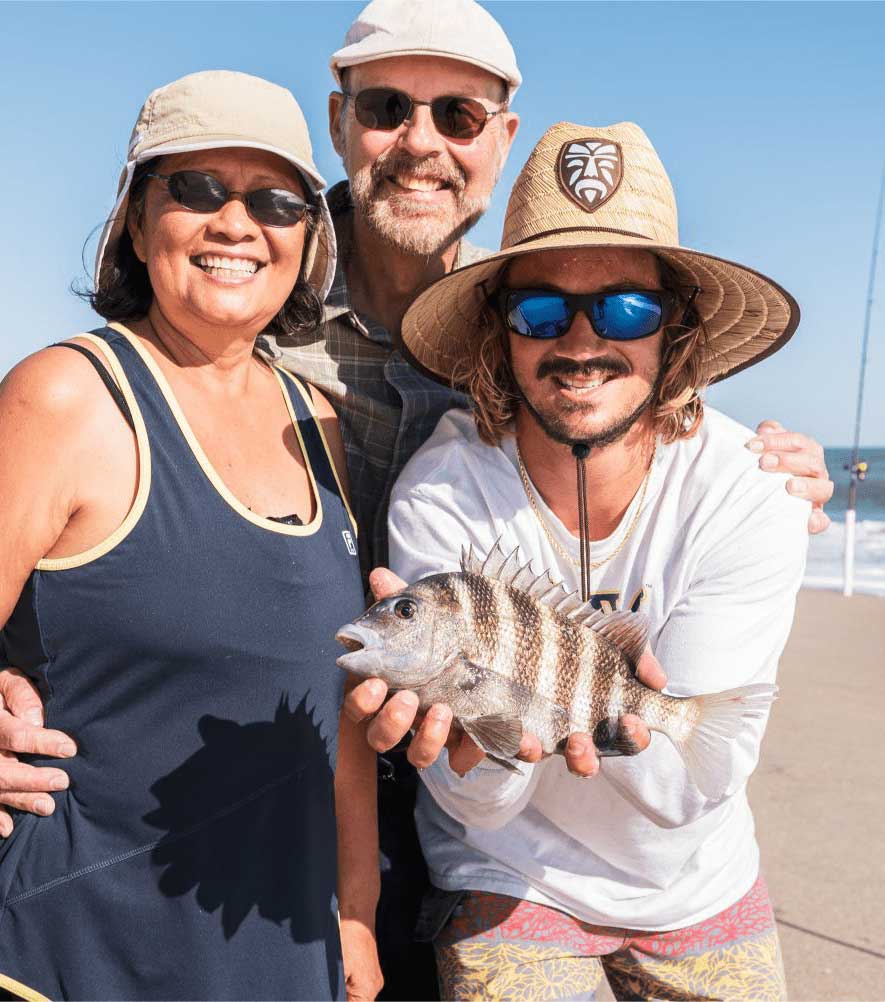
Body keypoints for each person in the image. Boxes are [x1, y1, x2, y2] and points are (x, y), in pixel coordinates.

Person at [0, 2, 832, 998]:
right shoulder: (181, 354)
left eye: (459, 117)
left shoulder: (311, 403)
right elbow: (100, 535)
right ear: (343, 121)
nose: (421, 143)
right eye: (389, 107)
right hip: (233, 833)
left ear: (500, 138)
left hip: (378, 817)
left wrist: (772, 475)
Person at [358, 120, 810, 999]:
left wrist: (592, 708)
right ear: (499, 330)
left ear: (673, 330)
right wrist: (476, 740)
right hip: (507, 876)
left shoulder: (745, 491)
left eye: (626, 309)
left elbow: (686, 791)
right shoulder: (441, 493)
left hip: (695, 878)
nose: (579, 341)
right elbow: (480, 809)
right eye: (537, 310)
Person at [0, 71, 380, 1001]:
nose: (236, 224)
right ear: (136, 219)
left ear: (309, 241)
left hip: (279, 954)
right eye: (198, 188)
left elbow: (340, 714)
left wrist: (358, 915)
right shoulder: (66, 399)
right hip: (75, 953)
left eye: (276, 201)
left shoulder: (323, 426)